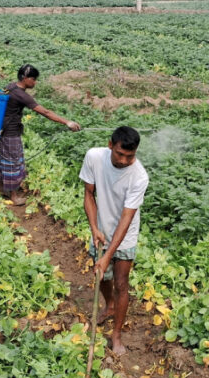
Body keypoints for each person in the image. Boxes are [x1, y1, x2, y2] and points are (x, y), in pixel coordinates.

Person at [79, 126, 149, 355]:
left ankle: (116, 335)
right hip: (101, 229)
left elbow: (126, 219)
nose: (125, 160)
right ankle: (109, 306)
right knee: (103, 277)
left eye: (131, 156)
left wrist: (109, 254)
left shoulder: (139, 176)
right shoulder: (94, 157)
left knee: (121, 282)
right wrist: (94, 228)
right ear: (111, 145)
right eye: (120, 154)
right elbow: (89, 194)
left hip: (124, 234)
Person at [0, 64, 81, 205]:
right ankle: (13, 196)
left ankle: (3, 188)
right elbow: (45, 112)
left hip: (2, 130)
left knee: (6, 159)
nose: (35, 82)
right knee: (13, 162)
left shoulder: (11, 86)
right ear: (25, 78)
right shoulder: (22, 95)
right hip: (10, 133)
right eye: (33, 79)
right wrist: (67, 122)